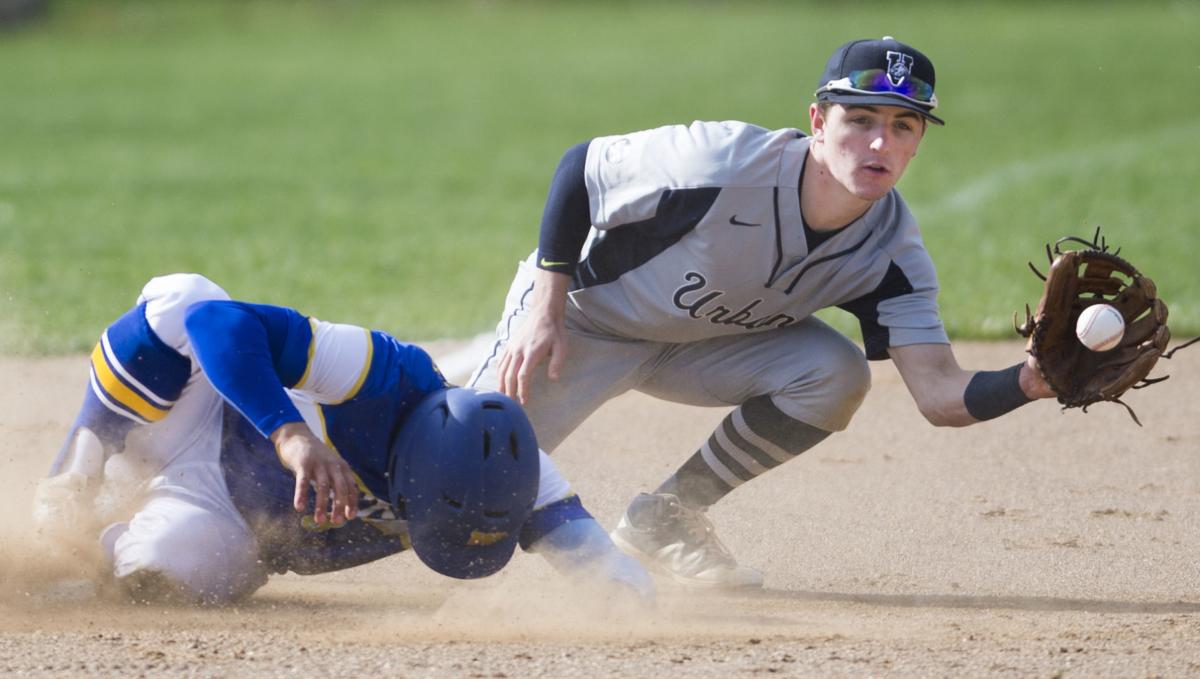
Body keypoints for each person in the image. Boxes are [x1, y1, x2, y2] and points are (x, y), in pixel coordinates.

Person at [468, 37, 1055, 589]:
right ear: (819, 121)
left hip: (704, 346)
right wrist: (544, 310)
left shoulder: (890, 254)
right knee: (462, 470)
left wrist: (1029, 382)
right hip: (585, 324)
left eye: (903, 126)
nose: (880, 144)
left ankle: (667, 515)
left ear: (918, 140)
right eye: (861, 120)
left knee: (835, 375)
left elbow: (938, 393)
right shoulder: (724, 162)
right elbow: (581, 169)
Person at [31, 273, 654, 604]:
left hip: (231, 525)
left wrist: (625, 598)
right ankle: (80, 471)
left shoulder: (508, 470)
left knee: (161, 581)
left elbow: (605, 570)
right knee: (184, 298)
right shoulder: (386, 377)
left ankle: (96, 547)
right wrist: (291, 434)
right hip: (195, 420)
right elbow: (215, 323)